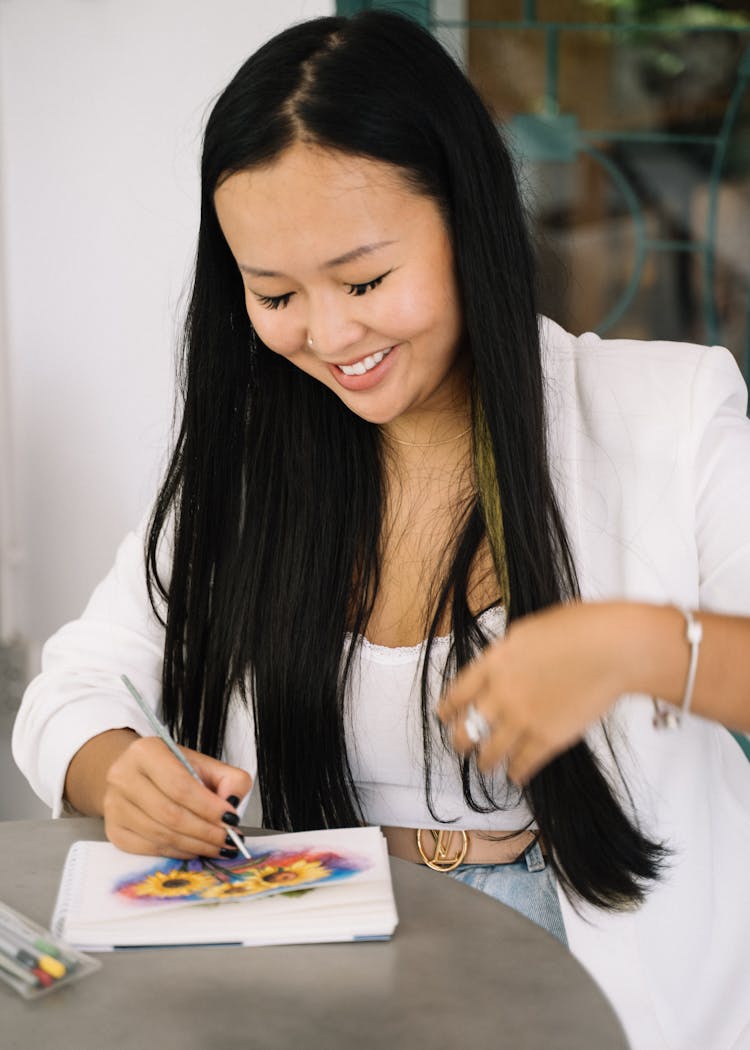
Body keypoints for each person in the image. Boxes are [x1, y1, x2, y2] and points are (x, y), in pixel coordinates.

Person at [12, 11, 750, 1049]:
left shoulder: (665, 415)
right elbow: (72, 686)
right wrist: (115, 765)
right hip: (314, 966)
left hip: (596, 982)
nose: (329, 335)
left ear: (467, 216)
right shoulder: (250, 463)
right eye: (274, 295)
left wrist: (639, 646)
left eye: (363, 281)